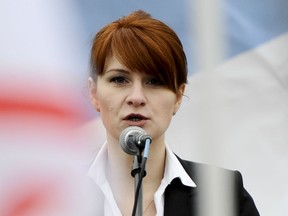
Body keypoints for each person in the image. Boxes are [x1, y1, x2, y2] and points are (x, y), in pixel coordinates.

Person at [87, 10, 260, 216]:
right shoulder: (57, 194)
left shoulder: (222, 194)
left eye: (155, 81)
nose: (136, 97)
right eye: (119, 80)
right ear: (94, 93)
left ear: (178, 97)